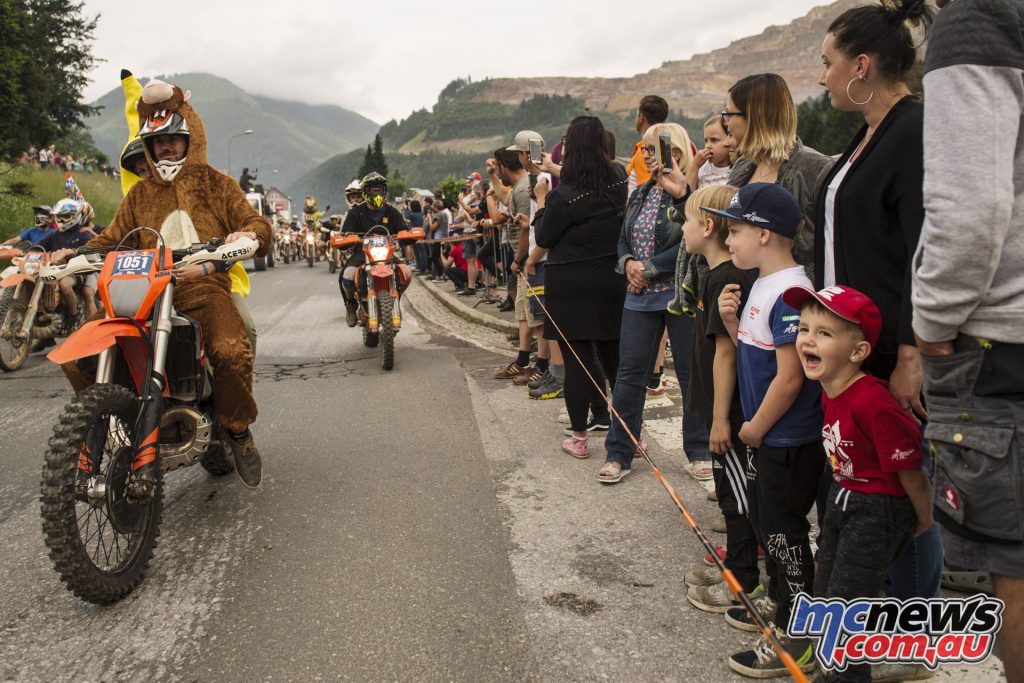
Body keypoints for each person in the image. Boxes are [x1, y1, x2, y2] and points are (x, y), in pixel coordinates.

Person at [58, 79, 272, 491]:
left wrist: (244, 238)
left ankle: (238, 431)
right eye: (158, 142)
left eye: (174, 138)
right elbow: (110, 240)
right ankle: (118, 412)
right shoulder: (138, 196)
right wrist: (73, 255)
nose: (167, 147)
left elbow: (256, 225)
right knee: (75, 356)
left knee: (231, 346)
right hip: (141, 295)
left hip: (203, 290)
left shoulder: (218, 184)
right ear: (149, 147)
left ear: (188, 137)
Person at [813, 0, 943, 645]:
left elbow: (924, 247)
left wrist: (913, 350)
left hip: (892, 351)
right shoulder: (865, 135)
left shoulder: (912, 131)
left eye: (829, 64)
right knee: (867, 495)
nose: (822, 78)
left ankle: (912, 637)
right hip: (854, 351)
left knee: (902, 495)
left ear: (862, 65)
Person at [913, 2, 1024, 682]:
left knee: (1013, 565)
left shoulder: (974, 19)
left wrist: (929, 328)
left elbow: (971, 211)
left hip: (999, 344)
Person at [783, 284, 933, 683]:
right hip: (845, 497)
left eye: (824, 333)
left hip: (877, 509)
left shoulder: (874, 402)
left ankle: (845, 676)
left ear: (858, 352)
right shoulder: (831, 388)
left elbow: (912, 471)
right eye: (804, 329)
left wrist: (923, 518)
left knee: (847, 605)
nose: (808, 340)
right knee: (827, 588)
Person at [712, 183, 823, 678]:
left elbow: (791, 375)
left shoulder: (792, 294)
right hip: (767, 438)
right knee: (769, 526)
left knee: (784, 536)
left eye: (733, 230)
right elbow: (756, 352)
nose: (727, 238)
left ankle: (798, 635)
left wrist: (754, 428)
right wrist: (732, 321)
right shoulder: (763, 282)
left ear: (764, 234)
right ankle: (782, 614)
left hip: (784, 438)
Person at [596, 122, 704, 475]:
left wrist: (649, 269)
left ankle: (700, 452)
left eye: (650, 148)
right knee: (629, 376)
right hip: (639, 296)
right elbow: (623, 238)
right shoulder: (640, 193)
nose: (643, 154)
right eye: (643, 149)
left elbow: (693, 242)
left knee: (691, 375)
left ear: (674, 152)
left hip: (679, 294)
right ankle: (619, 453)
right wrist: (628, 263)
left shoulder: (692, 192)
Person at [676, 185, 762, 619]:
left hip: (728, 412)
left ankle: (743, 582)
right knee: (736, 494)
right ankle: (738, 569)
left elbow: (728, 352)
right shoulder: (722, 274)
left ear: (708, 226)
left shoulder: (722, 277)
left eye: (687, 221)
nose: (683, 229)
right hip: (728, 409)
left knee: (736, 497)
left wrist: (718, 419)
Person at [535, 116, 628, 458]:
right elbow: (592, 184)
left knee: (578, 362)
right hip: (610, 281)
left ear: (570, 148)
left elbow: (544, 236)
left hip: (570, 285)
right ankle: (629, 433)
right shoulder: (618, 180)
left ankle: (579, 439)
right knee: (614, 361)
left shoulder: (562, 198)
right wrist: (555, 168)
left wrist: (542, 199)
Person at [722, 73, 833, 274]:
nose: (726, 123)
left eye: (730, 114)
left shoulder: (816, 170)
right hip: (748, 297)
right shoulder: (742, 167)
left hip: (794, 299)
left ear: (756, 116)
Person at [339, 172, 407, 326]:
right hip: (362, 253)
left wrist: (408, 234)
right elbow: (345, 234)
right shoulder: (355, 212)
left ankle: (395, 297)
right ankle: (351, 304)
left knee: (406, 273)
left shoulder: (391, 211)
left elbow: (403, 229)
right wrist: (346, 239)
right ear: (366, 191)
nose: (377, 193)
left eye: (379, 190)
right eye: (373, 190)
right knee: (347, 275)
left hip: (386, 252)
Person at [36, 198, 97, 324]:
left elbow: (89, 250)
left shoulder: (83, 234)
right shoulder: (55, 234)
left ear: (75, 217)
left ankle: (74, 317)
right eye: (58, 217)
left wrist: (72, 253)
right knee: (36, 278)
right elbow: (37, 246)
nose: (61, 220)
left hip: (78, 270)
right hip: (55, 270)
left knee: (69, 286)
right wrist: (20, 250)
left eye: (65, 217)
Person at [625, 95, 669, 197]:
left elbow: (649, 192)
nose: (646, 155)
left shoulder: (646, 153)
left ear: (641, 117)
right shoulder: (666, 146)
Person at [685, 115, 735, 191]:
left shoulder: (737, 169)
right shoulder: (703, 167)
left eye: (714, 140)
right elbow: (685, 191)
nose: (708, 146)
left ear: (730, 139)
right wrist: (695, 166)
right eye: (706, 141)